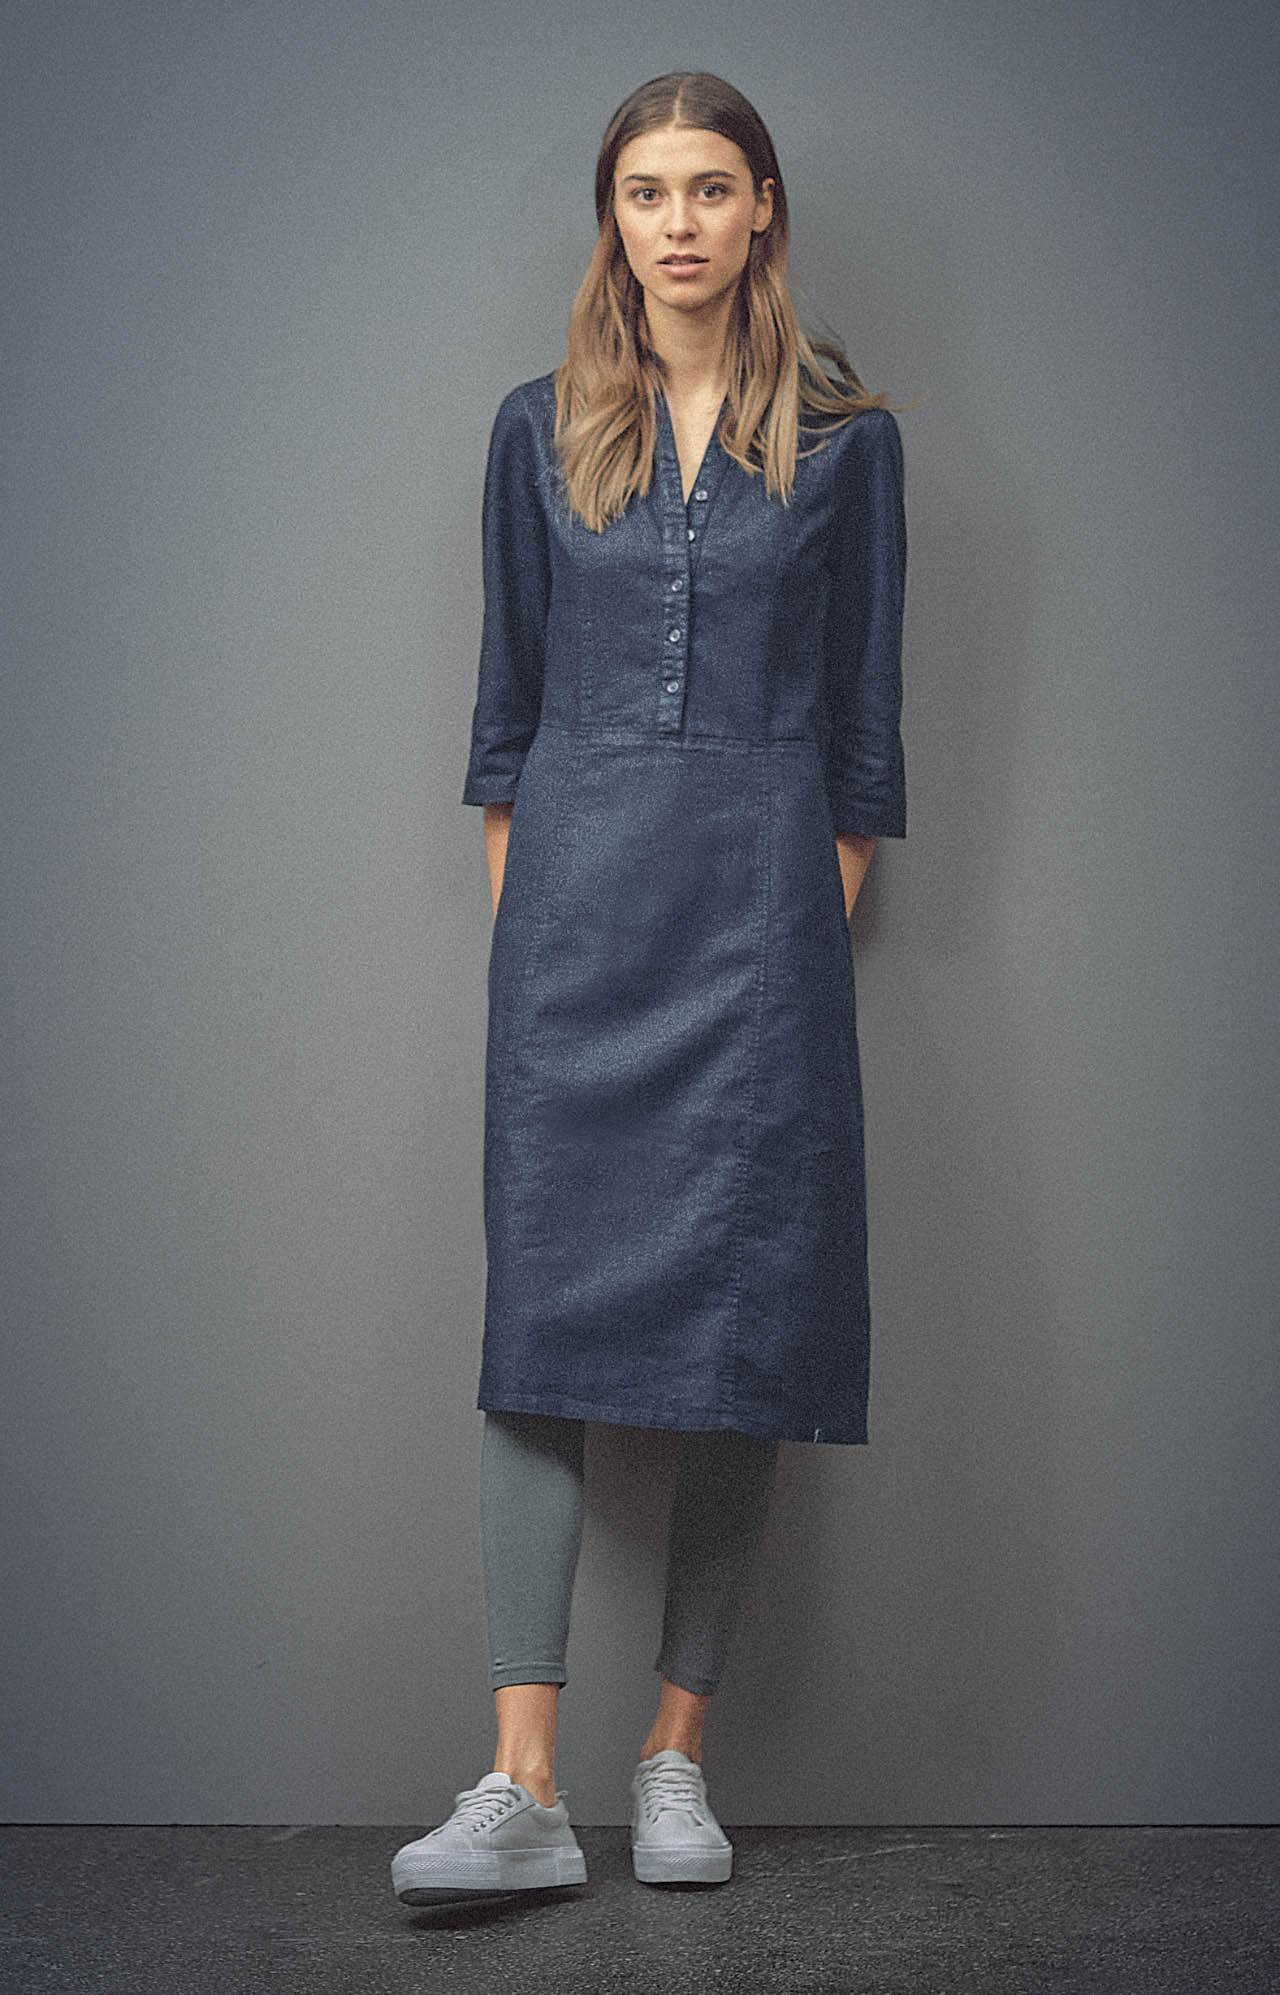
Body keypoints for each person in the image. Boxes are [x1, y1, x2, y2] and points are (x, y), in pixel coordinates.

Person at [392, 70, 907, 1903]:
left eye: (708, 188)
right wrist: (537, 941)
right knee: (538, 1331)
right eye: (643, 191)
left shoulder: (847, 445)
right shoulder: (536, 432)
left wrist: (793, 938)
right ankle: (523, 1786)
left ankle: (673, 1759)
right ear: (610, 220)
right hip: (574, 943)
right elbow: (504, 725)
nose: (677, 221)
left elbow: (863, 750)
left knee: (741, 1332)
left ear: (764, 210)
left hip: (761, 947)